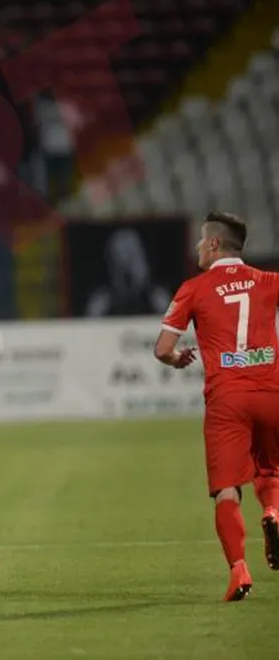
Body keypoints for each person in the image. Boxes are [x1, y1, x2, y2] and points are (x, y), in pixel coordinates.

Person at [155, 212, 279, 602]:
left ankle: (239, 571)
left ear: (213, 244)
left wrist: (177, 359)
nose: (196, 248)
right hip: (271, 393)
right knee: (270, 470)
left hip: (227, 400)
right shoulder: (269, 281)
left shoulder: (194, 288)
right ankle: (273, 513)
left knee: (226, 488)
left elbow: (162, 349)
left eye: (200, 241)